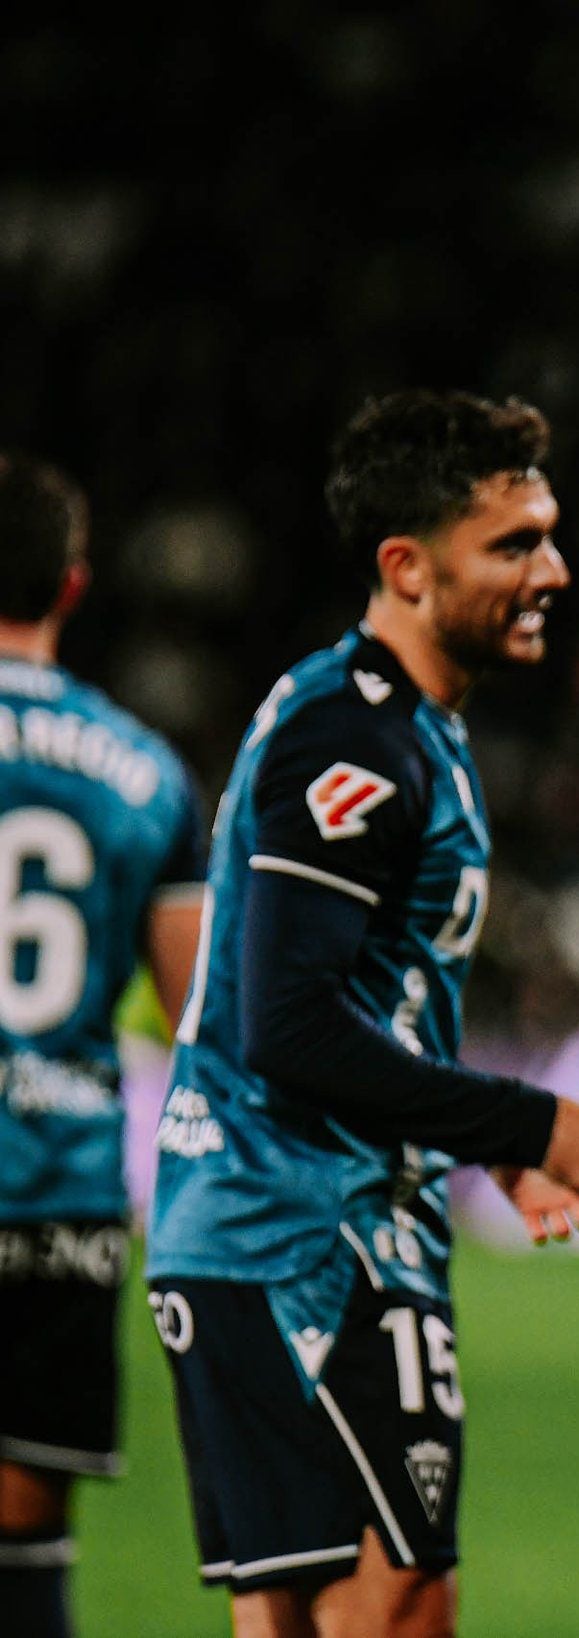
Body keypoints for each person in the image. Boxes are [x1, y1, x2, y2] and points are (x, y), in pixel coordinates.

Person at [146, 390, 579, 1637]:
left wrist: (479, 1146)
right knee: (387, 1608)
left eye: (548, 532)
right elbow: (291, 1027)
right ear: (407, 568)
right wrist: (527, 1124)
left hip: (324, 1227)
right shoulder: (357, 738)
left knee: (360, 1610)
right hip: (291, 1240)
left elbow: (359, 1012)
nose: (554, 568)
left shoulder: (408, 726)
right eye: (514, 544)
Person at [0, 452, 206, 1638]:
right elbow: (197, 1016)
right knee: (29, 1547)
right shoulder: (145, 772)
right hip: (61, 1193)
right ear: (72, 587)